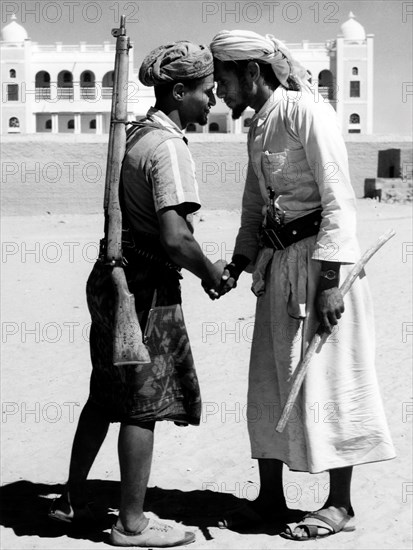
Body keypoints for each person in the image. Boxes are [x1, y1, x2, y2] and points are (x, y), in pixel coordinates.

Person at [209, 29, 396, 540]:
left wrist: (331, 283)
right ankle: (271, 499)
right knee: (269, 381)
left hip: (323, 269)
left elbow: (339, 199)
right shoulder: (256, 127)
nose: (219, 90)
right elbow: (254, 205)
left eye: (224, 79)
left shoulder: (307, 113)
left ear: (251, 72)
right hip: (278, 268)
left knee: (333, 381)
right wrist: (239, 262)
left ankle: (340, 506)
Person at [49, 41, 224, 548]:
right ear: (179, 90)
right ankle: (131, 523)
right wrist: (210, 271)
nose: (212, 102)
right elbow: (175, 237)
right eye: (206, 92)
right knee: (142, 406)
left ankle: (70, 498)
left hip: (110, 277)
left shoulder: (138, 135)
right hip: (142, 292)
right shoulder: (168, 147)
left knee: (103, 393)